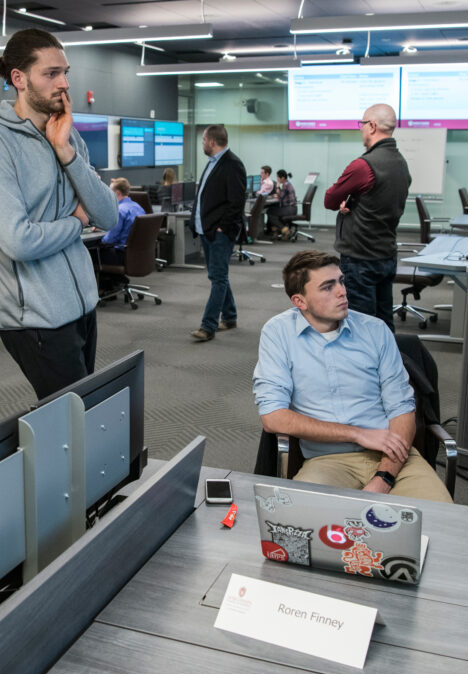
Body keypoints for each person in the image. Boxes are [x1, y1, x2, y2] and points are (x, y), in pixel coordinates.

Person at [0, 28, 117, 399]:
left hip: (81, 305)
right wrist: (77, 221)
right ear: (18, 78)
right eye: (50, 74)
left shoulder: (63, 129)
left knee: (79, 419)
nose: (63, 83)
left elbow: (109, 216)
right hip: (34, 317)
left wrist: (65, 151)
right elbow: (18, 240)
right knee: (71, 423)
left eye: (65, 72)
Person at [252, 250, 453, 503]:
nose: (342, 291)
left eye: (341, 281)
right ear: (300, 301)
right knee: (300, 520)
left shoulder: (375, 330)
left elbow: (402, 408)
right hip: (327, 461)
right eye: (327, 287)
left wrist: (385, 478)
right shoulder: (278, 333)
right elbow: (273, 417)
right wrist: (357, 433)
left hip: (392, 455)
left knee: (441, 520)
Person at [323, 103, 411, 331]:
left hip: (361, 259)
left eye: (361, 124)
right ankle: (388, 366)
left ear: (372, 126)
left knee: (360, 327)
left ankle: (363, 368)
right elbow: (378, 200)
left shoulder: (363, 166)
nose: (360, 129)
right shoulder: (401, 164)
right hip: (386, 255)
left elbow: (330, 200)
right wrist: (352, 203)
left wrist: (344, 202)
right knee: (383, 324)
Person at [189, 124, 247, 342]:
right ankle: (230, 316)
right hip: (207, 230)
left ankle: (208, 325)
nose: (202, 143)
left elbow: (236, 201)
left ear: (212, 141)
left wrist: (223, 226)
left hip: (220, 232)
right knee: (217, 275)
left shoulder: (232, 164)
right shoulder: (213, 163)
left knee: (219, 278)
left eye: (203, 140)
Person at [98, 177, 147, 268]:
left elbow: (108, 240)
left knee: (91, 253)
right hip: (137, 254)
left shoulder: (119, 211)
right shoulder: (138, 207)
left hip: (120, 255)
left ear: (117, 193)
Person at [266, 169, 297, 239]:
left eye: (278, 177)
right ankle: (278, 231)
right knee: (273, 211)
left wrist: (277, 186)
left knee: (269, 212)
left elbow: (280, 196)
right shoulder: (287, 184)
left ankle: (284, 230)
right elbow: (281, 195)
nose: (277, 179)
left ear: (282, 178)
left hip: (290, 209)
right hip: (292, 208)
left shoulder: (285, 185)